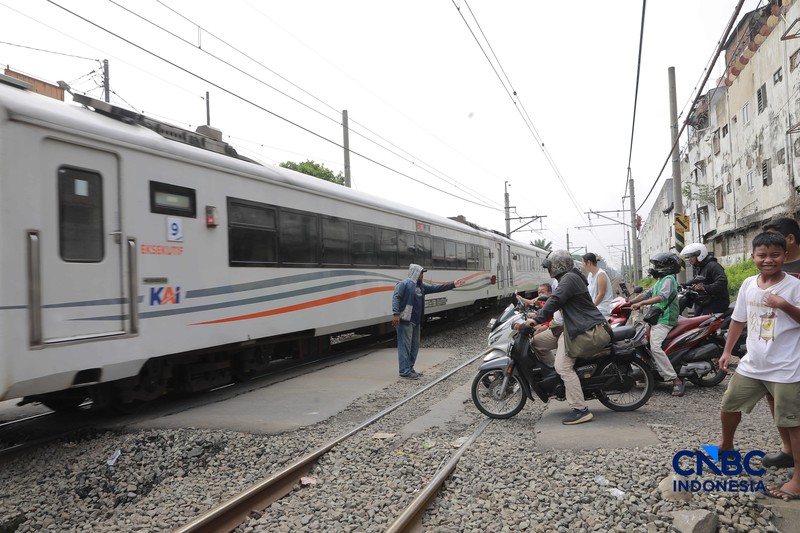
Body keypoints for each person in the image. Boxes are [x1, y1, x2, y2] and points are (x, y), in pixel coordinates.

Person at [718, 232, 800, 501]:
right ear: (752, 257)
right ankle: (726, 446)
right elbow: (738, 320)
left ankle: (798, 480)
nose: (768, 260)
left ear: (785, 257)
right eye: (762, 255)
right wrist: (728, 351)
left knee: (792, 423)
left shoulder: (794, 287)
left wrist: (784, 305)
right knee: (729, 404)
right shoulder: (748, 285)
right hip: (753, 364)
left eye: (775, 255)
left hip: (788, 367)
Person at [524, 249, 609, 425]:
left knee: (563, 366)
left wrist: (538, 319)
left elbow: (555, 300)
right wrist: (539, 320)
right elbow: (556, 305)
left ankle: (580, 409)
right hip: (571, 326)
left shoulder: (569, 279)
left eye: (550, 266)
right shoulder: (570, 277)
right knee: (537, 342)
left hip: (582, 328)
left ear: (557, 266)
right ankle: (555, 380)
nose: (549, 270)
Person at [759, 217, 800, 468]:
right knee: (774, 397)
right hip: (777, 346)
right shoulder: (773, 266)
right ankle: (788, 450)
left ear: (791, 239)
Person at [391, 264, 465, 379]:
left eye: (423, 273)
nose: (422, 275)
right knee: (405, 346)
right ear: (415, 272)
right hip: (405, 320)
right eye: (420, 273)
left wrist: (452, 285)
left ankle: (410, 368)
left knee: (414, 346)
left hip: (416, 321)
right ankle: (404, 371)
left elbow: (436, 288)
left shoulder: (421, 287)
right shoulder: (404, 284)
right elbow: (396, 297)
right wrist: (396, 314)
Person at [629, 253, 685, 397]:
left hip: (665, 320)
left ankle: (675, 379)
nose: (655, 268)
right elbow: (648, 293)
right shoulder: (661, 280)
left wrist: (642, 303)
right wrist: (631, 302)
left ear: (666, 267)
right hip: (657, 318)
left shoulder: (668, 280)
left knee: (655, 347)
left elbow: (662, 297)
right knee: (638, 340)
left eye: (657, 266)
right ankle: (652, 371)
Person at [680, 243, 730, 315]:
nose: (689, 259)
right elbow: (697, 279)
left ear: (700, 255)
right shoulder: (701, 266)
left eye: (691, 256)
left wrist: (704, 288)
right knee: (696, 318)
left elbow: (722, 281)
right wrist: (684, 285)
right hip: (705, 301)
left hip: (717, 302)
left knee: (703, 322)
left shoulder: (712, 266)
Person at [518, 283, 562, 367]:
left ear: (550, 293)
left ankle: (550, 364)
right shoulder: (544, 300)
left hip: (551, 322)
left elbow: (544, 311)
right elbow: (540, 309)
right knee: (533, 328)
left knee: (537, 333)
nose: (540, 294)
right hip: (547, 320)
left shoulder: (549, 300)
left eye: (543, 292)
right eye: (539, 293)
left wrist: (535, 314)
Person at [583, 252, 614, 318]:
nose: (583, 265)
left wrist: (592, 307)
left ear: (588, 263)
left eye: (583, 262)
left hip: (602, 308)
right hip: (595, 307)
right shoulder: (590, 275)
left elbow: (601, 294)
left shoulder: (601, 275)